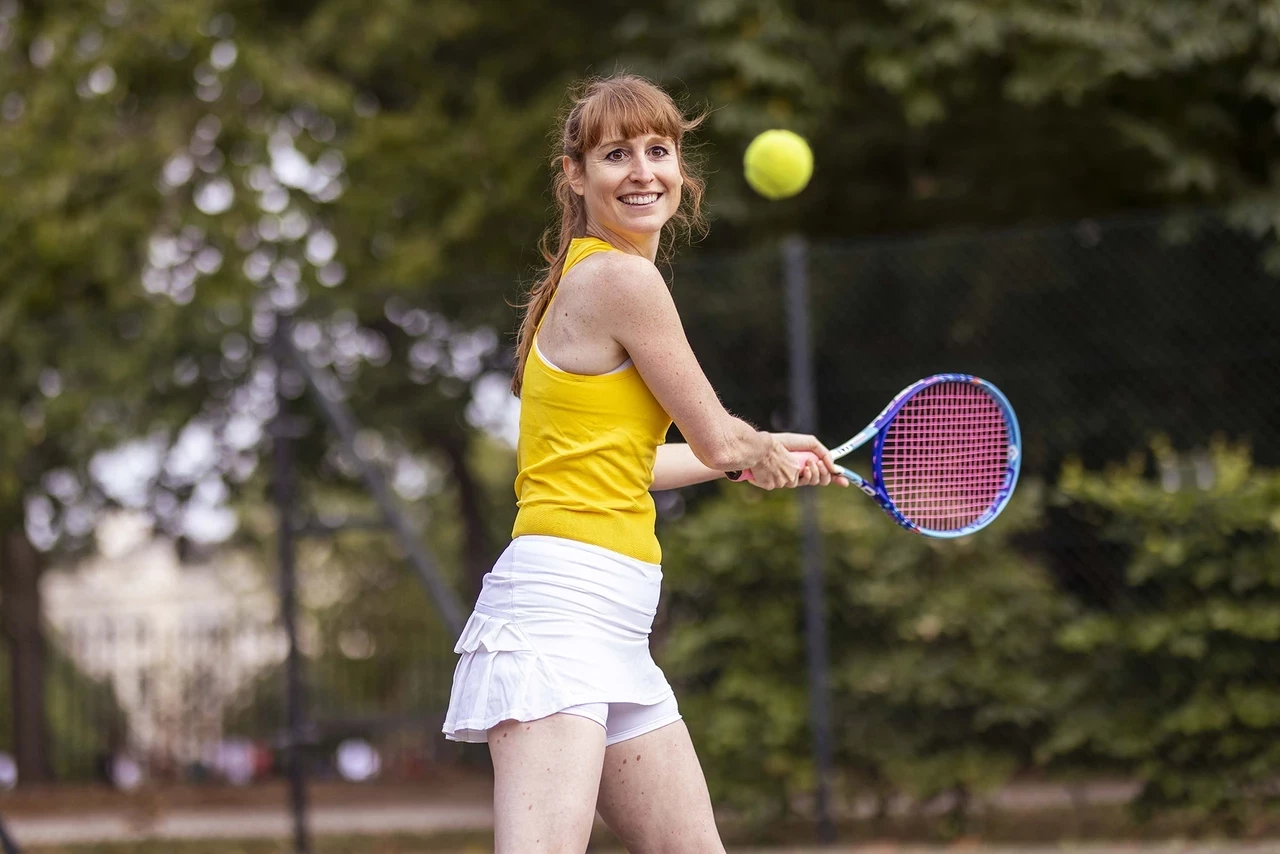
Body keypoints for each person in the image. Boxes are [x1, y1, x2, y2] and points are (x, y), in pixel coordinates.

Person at [442, 73, 846, 853]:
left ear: (680, 170)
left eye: (658, 150)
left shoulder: (587, 277)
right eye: (615, 154)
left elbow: (630, 463)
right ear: (576, 176)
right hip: (559, 618)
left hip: (615, 626)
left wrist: (754, 452)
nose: (641, 171)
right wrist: (749, 453)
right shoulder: (625, 279)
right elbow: (723, 442)